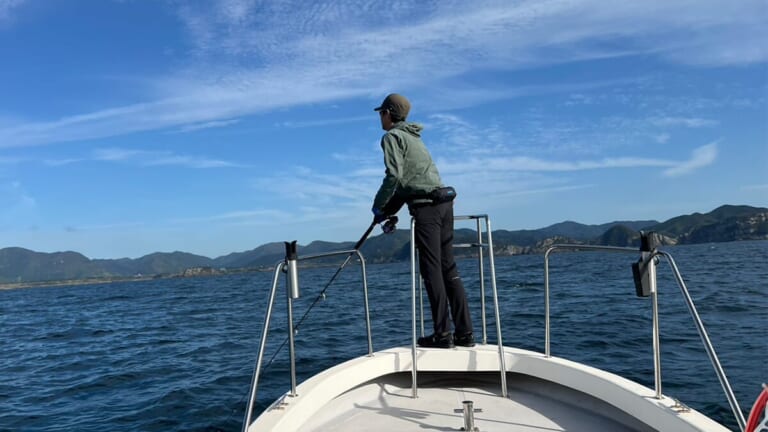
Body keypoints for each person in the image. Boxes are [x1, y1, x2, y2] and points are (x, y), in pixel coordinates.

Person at [371, 93, 475, 348]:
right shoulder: (415, 138)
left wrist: (378, 206)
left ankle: (442, 335)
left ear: (387, 113)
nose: (379, 118)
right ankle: (465, 333)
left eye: (380, 113)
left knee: (432, 271)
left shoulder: (391, 137)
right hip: (444, 204)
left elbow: (394, 177)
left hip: (426, 210)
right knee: (448, 268)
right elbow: (412, 184)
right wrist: (389, 209)